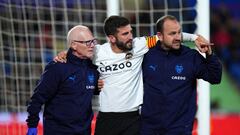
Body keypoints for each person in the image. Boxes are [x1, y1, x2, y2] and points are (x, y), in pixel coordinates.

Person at [54, 16, 211, 135]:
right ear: (112, 38)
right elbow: (77, 57)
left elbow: (168, 35)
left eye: (131, 32)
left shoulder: (139, 45)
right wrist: (65, 54)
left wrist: (195, 38)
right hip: (106, 119)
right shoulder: (97, 53)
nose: (131, 36)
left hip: (133, 119)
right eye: (125, 34)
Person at [141, 15, 222, 135]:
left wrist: (210, 55)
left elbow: (215, 77)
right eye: (172, 33)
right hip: (148, 127)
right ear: (159, 36)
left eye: (179, 32)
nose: (178, 37)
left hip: (179, 128)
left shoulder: (191, 56)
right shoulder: (146, 54)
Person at [26, 25, 99, 135]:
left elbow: (92, 90)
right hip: (58, 131)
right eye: (87, 42)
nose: (92, 46)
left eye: (93, 41)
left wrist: (100, 86)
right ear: (74, 45)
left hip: (84, 131)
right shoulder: (57, 67)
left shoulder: (93, 69)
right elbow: (37, 98)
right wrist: (32, 124)